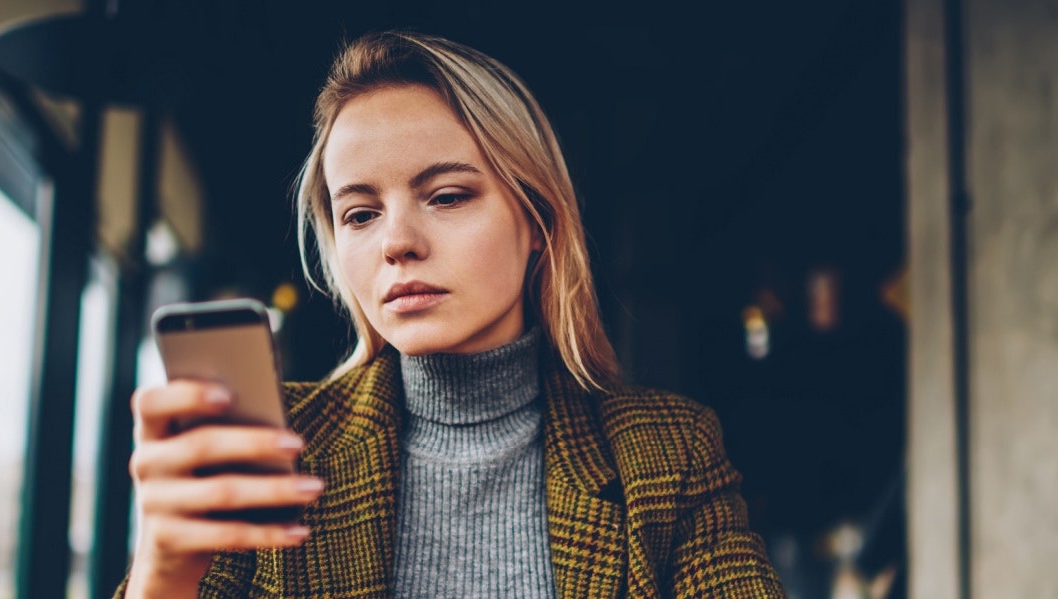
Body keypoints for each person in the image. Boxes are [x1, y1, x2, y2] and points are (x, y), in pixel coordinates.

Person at [118, 30, 786, 598]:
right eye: (359, 212)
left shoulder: (670, 451)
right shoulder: (278, 449)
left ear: (538, 222)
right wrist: (162, 574)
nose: (396, 241)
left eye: (446, 196)